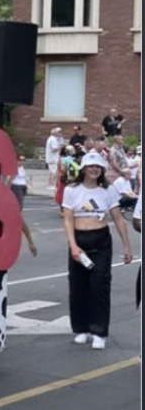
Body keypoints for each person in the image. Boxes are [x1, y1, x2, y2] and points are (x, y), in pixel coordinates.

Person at [62, 150, 133, 349]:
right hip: (79, 240)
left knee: (99, 286)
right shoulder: (71, 189)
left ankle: (99, 331)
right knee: (78, 287)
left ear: (102, 170)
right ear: (83, 169)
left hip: (100, 240)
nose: (94, 170)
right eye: (90, 166)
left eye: (98, 167)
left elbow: (119, 219)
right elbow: (67, 220)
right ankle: (82, 328)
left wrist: (127, 246)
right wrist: (73, 245)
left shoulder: (107, 190)